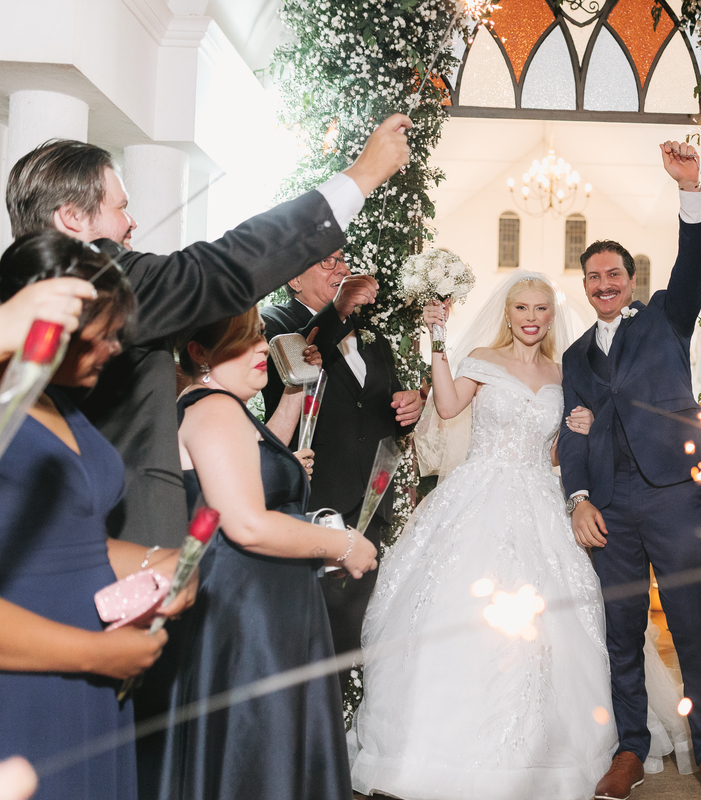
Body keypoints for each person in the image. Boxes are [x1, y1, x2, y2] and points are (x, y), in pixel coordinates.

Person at [4, 114, 415, 549]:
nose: (132, 222)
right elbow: (218, 269)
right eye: (120, 207)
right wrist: (361, 176)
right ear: (71, 217)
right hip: (116, 547)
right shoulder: (92, 281)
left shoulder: (29, 286)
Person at [348, 272, 618, 800]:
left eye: (541, 308)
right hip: (478, 495)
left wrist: (583, 427)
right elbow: (448, 407)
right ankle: (434, 747)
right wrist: (438, 341)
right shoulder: (482, 360)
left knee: (548, 628)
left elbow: (559, 451)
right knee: (460, 612)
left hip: (541, 500)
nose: (532, 318)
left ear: (551, 315)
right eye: (522, 308)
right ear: (508, 313)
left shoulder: (564, 373)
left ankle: (544, 752)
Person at [559, 142, 701, 800]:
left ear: (630, 280)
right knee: (621, 633)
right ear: (585, 286)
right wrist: (579, 496)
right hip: (611, 507)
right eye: (593, 278)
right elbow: (571, 430)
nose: (604, 284)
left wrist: (689, 190)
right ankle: (630, 748)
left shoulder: (666, 315)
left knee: (692, 627)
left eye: (613, 274)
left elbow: (693, 263)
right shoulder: (576, 356)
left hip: (673, 496)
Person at [141, 308, 377, 800]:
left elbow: (252, 468)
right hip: (250, 615)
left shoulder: (213, 406)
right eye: (244, 340)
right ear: (199, 352)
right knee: (260, 758)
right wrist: (343, 544)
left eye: (261, 336)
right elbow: (247, 525)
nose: (261, 348)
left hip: (253, 603)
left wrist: (292, 392)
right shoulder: (215, 409)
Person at [0, 231, 186, 800]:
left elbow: (74, 542)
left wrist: (161, 563)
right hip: (27, 680)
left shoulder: (56, 400)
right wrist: (96, 653)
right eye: (101, 335)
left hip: (94, 675)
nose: (113, 348)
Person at [260, 248, 420, 688]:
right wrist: (337, 310)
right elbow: (294, 359)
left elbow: (379, 411)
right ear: (294, 278)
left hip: (370, 502)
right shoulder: (275, 323)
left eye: (343, 259)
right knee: (310, 640)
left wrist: (410, 407)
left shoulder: (372, 338)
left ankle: (340, 721)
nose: (342, 268)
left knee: (351, 638)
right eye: (326, 261)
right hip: (316, 502)